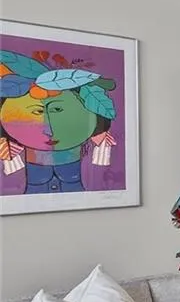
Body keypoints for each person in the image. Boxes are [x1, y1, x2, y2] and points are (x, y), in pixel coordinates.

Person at [0, 50, 116, 194]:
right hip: (35, 178)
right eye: (37, 112)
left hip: (72, 178)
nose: (48, 130)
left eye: (58, 110)